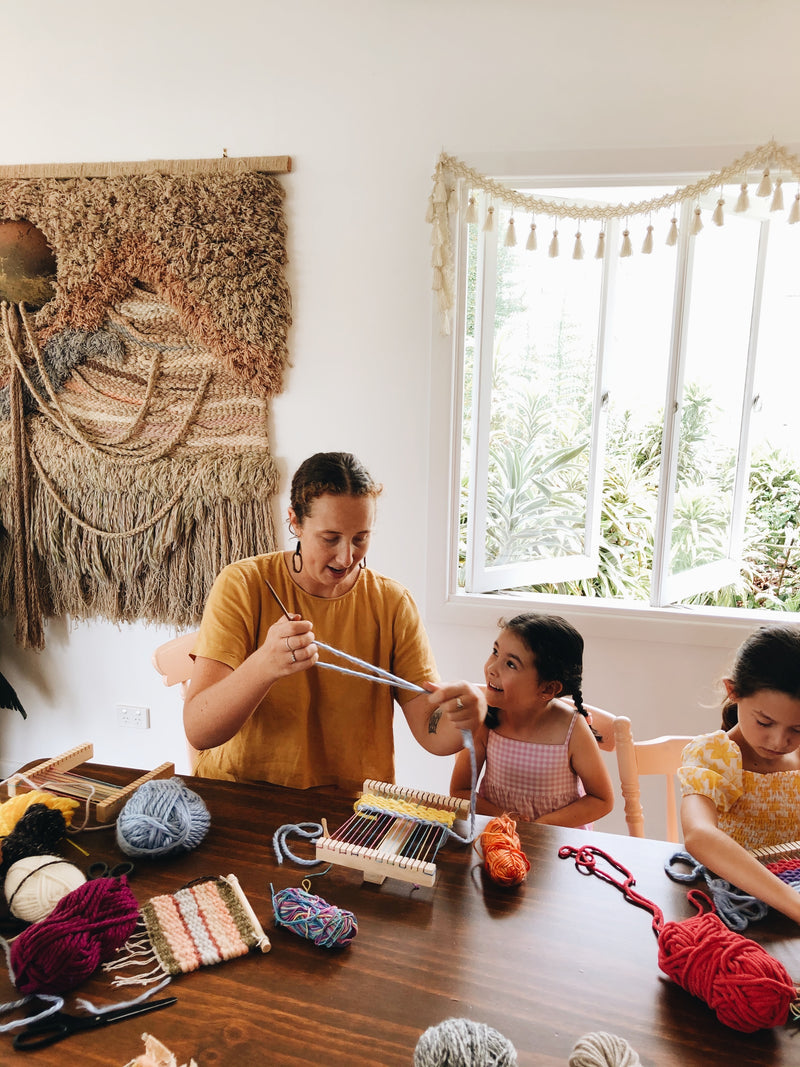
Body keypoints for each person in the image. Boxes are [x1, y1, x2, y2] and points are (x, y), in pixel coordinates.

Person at [183, 451, 481, 792]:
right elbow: (200, 730)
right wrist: (264, 666)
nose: (346, 557)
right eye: (330, 538)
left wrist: (468, 717)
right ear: (295, 521)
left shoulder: (392, 603)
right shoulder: (243, 584)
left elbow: (433, 734)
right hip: (246, 794)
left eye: (360, 538)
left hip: (349, 808)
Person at [679, 624, 800, 924]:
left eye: (797, 729)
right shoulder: (715, 756)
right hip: (733, 906)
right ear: (733, 692)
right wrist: (793, 903)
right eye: (764, 722)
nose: (779, 741)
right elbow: (699, 835)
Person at [448, 613, 614, 827]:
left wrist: (541, 825)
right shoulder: (484, 722)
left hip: (557, 844)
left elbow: (601, 800)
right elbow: (460, 790)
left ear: (548, 688)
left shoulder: (572, 730)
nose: (491, 668)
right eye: (495, 652)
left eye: (510, 664)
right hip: (500, 837)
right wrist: (504, 817)